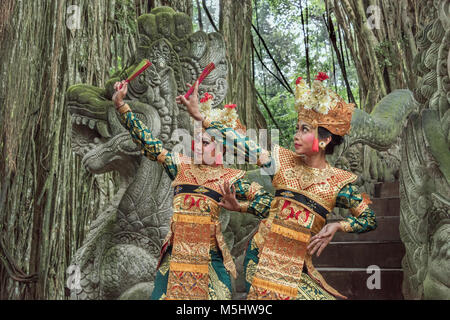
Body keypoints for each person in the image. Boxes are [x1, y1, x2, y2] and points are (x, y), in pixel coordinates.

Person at [179, 72, 377, 300]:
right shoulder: (282, 163)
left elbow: (368, 219)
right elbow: (241, 143)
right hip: (263, 257)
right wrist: (200, 117)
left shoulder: (338, 183)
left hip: (298, 268)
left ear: (324, 140)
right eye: (297, 128)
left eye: (305, 129)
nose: (296, 135)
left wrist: (338, 226)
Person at [112, 80, 272, 300]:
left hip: (211, 262)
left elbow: (270, 205)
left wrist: (241, 206)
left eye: (205, 142)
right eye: (196, 139)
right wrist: (121, 106)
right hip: (174, 260)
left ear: (222, 147)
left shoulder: (231, 178)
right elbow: (148, 142)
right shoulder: (180, 166)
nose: (197, 145)